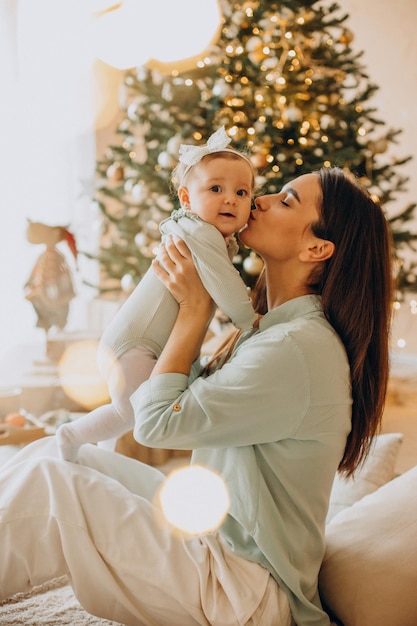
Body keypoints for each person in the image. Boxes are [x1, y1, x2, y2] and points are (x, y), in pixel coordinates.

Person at [0, 166, 393, 626]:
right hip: (215, 538)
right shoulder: (272, 330)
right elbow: (173, 393)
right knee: (59, 455)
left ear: (316, 248)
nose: (260, 199)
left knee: (53, 486)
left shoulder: (297, 348)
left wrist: (193, 310)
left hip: (243, 590)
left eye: (287, 200)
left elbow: (157, 421)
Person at [56, 126, 257, 462]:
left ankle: (102, 457)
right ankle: (71, 435)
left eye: (242, 192)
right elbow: (225, 285)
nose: (230, 199)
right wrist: (249, 320)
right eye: (216, 189)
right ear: (186, 198)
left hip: (143, 343)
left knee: (132, 412)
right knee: (136, 414)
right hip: (135, 345)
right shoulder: (200, 232)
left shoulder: (209, 235)